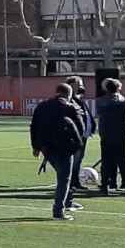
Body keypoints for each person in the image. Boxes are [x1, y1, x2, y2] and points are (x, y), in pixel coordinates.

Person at [31, 84, 86, 220]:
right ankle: (59, 210)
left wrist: (36, 146)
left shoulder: (42, 106)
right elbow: (80, 127)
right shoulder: (70, 108)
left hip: (47, 149)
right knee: (64, 179)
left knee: (62, 177)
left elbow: (34, 126)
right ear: (69, 94)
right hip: (64, 148)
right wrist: (77, 144)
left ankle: (66, 202)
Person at [95, 79, 125, 195]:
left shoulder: (100, 101)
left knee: (106, 162)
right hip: (122, 135)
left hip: (107, 135)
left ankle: (105, 186)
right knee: (124, 162)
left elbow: (100, 114)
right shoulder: (124, 101)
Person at [64, 76, 96, 193]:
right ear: (71, 85)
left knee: (79, 160)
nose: (81, 86)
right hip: (75, 136)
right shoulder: (68, 100)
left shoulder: (78, 99)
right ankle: (71, 183)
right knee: (74, 160)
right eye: (79, 84)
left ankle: (76, 182)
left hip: (83, 135)